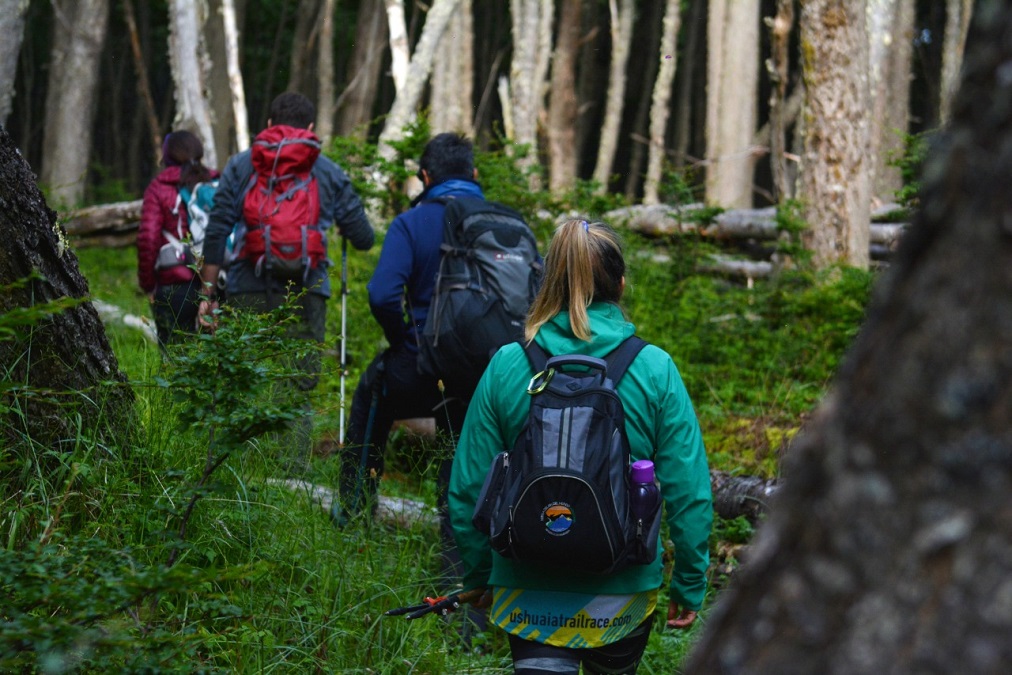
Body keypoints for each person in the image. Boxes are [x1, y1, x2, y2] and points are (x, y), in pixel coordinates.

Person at [448, 219, 713, 674]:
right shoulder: (654, 368)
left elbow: (470, 487)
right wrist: (688, 584)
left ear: (548, 280)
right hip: (621, 590)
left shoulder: (509, 364)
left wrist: (479, 576)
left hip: (527, 587)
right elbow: (690, 491)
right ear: (622, 284)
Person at [197, 92, 375, 472]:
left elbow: (217, 231)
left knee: (241, 374)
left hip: (248, 283)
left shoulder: (243, 165)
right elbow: (363, 237)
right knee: (297, 381)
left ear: (269, 123)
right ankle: (293, 469)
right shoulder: (326, 170)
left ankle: (236, 467)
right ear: (310, 128)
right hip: (308, 289)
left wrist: (207, 295)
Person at [137, 130, 218, 349]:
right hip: (216, 282)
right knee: (220, 358)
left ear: (167, 155)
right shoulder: (216, 182)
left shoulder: (159, 188)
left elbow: (148, 239)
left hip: (174, 284)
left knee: (175, 359)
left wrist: (148, 285)